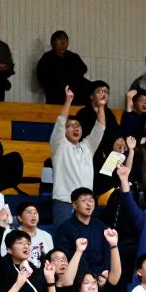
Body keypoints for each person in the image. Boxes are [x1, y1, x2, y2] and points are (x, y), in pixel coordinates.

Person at [50, 86, 105, 228]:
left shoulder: (87, 147)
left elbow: (100, 128)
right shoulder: (59, 145)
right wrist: (68, 101)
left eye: (78, 125)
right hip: (64, 201)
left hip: (86, 201)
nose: (75, 128)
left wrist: (101, 107)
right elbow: (60, 123)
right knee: (64, 242)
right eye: (71, 126)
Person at [36, 30, 89, 104]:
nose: (62, 44)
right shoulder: (47, 58)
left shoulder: (73, 57)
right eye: (60, 41)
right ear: (52, 44)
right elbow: (42, 77)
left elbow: (83, 69)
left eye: (64, 41)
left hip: (74, 92)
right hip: (56, 93)